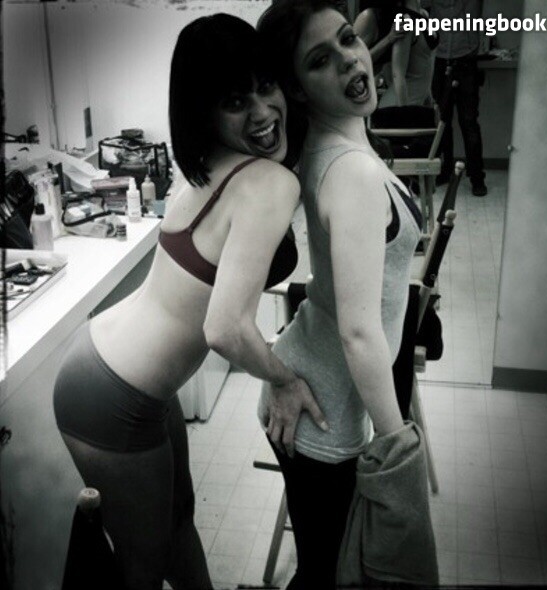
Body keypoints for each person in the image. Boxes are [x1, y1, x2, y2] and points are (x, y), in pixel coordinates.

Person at [52, 14, 327, 590]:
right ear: (205, 112)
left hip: (115, 371)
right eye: (235, 101)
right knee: (144, 564)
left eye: (266, 87)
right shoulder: (267, 182)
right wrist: (284, 379)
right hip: (114, 396)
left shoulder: (213, 165)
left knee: (178, 523)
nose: (262, 112)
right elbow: (225, 329)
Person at [257, 2, 426, 587]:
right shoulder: (350, 171)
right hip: (319, 415)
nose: (351, 61)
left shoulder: (340, 145)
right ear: (297, 90)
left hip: (316, 393)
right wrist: (398, 444)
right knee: (326, 574)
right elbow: (358, 331)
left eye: (349, 40)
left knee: (325, 567)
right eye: (320, 61)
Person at [430, 0, 488, 195]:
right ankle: (446, 170)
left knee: (469, 122)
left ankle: (477, 177)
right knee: (442, 122)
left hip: (466, 60)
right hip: (439, 60)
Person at [355, 0, 438, 107]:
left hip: (412, 99)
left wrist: (429, 100)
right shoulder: (369, 16)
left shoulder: (419, 15)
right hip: (360, 95)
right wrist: (388, 39)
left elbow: (425, 66)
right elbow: (355, 62)